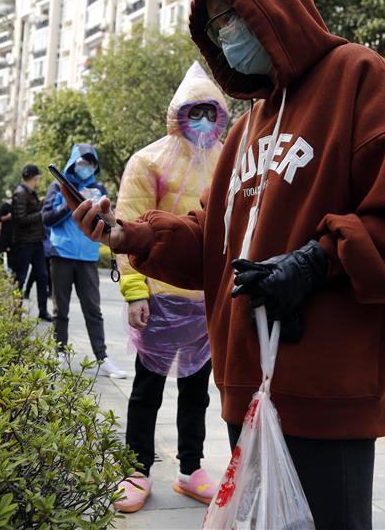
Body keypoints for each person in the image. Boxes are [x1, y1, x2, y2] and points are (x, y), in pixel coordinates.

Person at [66, 0, 385, 530]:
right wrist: (128, 235)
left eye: (233, 16)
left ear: (275, 7)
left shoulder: (359, 78)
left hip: (326, 389)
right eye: (215, 27)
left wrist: (317, 262)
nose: (227, 36)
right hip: (248, 386)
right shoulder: (247, 130)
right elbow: (212, 242)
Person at [113, 62, 227, 513]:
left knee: (197, 392)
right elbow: (128, 227)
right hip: (159, 299)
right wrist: (135, 291)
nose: (202, 120)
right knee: (147, 390)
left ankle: (190, 469)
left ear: (221, 115)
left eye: (210, 111)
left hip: (206, 301)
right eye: (194, 111)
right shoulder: (149, 161)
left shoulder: (229, 161)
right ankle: (136, 469)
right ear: (177, 115)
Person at [42, 145, 126, 379]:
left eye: (90, 163)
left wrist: (94, 205)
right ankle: (60, 353)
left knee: (93, 310)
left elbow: (108, 224)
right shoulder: (58, 187)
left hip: (88, 257)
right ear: (73, 162)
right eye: (82, 162)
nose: (85, 167)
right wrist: (72, 201)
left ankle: (103, 358)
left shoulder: (99, 189)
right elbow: (47, 218)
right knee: (60, 309)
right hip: (62, 254)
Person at [10, 164, 52, 322]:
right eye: (38, 178)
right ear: (35, 178)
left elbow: (29, 211)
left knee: (42, 276)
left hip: (36, 241)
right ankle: (16, 313)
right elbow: (21, 219)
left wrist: (41, 204)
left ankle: (43, 311)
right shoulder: (20, 193)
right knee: (20, 278)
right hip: (23, 242)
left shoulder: (29, 192)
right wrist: (41, 214)